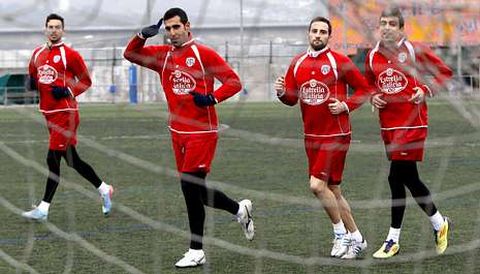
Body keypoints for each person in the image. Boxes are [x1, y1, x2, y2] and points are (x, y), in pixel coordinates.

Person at [124, 7, 254, 268]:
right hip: (177, 133)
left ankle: (196, 250)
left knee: (189, 188)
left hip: (202, 132)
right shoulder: (162, 56)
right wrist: (141, 35)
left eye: (176, 27)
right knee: (197, 192)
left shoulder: (202, 53)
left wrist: (212, 98)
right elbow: (131, 54)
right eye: (168, 28)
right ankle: (240, 210)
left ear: (187, 26)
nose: (172, 33)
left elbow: (233, 82)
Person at [274, 16, 372, 259]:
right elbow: (291, 99)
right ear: (308, 34)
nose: (318, 35)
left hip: (336, 134)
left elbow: (364, 89)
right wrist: (281, 93)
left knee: (317, 186)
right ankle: (357, 237)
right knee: (333, 190)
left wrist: (346, 105)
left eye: (323, 32)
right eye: (314, 31)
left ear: (330, 36)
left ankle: (339, 234)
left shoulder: (339, 61)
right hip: (311, 136)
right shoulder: (297, 63)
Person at [365, 6, 453, 258]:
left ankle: (393, 239)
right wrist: (374, 96)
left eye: (393, 24)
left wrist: (424, 90)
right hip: (389, 127)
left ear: (402, 29)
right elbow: (370, 83)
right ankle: (439, 223)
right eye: (383, 23)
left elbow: (444, 73)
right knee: (407, 179)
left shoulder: (414, 50)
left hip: (412, 124)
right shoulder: (373, 56)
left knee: (396, 177)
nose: (387, 28)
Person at [22, 13, 113, 221]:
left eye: (57, 27)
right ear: (45, 29)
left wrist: (68, 91)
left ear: (63, 30)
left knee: (52, 159)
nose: (54, 30)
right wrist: (31, 84)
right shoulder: (37, 54)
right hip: (48, 114)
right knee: (72, 160)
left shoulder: (70, 55)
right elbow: (33, 77)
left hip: (66, 113)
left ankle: (43, 209)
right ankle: (104, 189)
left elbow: (85, 80)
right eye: (50, 27)